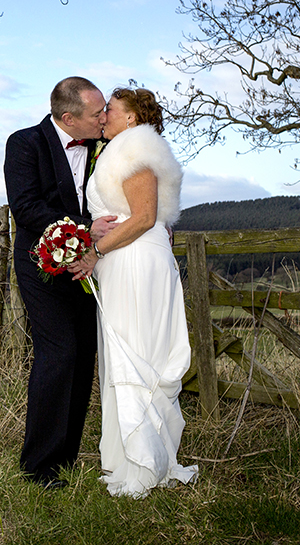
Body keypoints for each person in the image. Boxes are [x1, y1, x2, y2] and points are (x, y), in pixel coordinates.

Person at [69, 87, 198, 498]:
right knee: (125, 354)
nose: (103, 114)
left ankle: (144, 465)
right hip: (125, 262)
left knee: (137, 353)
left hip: (135, 261)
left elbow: (142, 218)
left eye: (112, 108)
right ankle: (129, 460)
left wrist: (93, 253)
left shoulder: (137, 148)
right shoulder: (119, 150)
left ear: (131, 119)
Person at [3, 76, 118, 489]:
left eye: (105, 109)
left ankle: (66, 456)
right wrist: (85, 228)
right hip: (42, 267)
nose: (105, 117)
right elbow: (28, 207)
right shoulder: (24, 144)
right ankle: (39, 466)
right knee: (60, 353)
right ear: (68, 118)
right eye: (97, 113)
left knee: (84, 354)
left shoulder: (104, 146)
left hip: (89, 267)